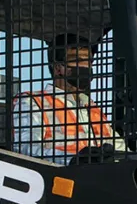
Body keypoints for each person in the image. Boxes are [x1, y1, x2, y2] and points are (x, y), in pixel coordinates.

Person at [12, 32, 126, 163]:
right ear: (57, 68)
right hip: (60, 177)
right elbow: (25, 150)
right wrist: (73, 159)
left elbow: (121, 149)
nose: (85, 67)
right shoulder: (33, 102)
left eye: (89, 62)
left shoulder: (92, 109)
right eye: (77, 60)